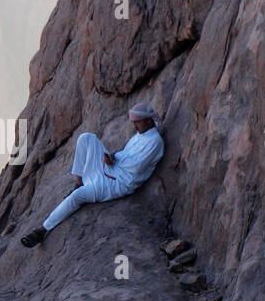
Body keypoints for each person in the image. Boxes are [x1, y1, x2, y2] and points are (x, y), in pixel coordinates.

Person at [20, 103, 164, 246]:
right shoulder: (141, 135)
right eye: (133, 122)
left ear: (148, 120)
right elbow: (126, 155)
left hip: (118, 183)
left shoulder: (155, 141)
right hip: (112, 169)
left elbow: (136, 168)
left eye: (137, 122)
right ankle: (79, 182)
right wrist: (112, 156)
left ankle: (42, 230)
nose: (134, 126)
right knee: (86, 138)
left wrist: (114, 160)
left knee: (77, 197)